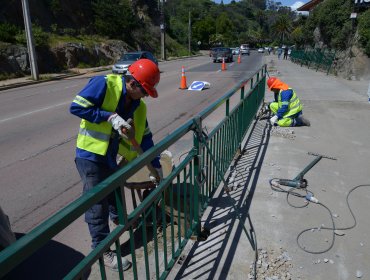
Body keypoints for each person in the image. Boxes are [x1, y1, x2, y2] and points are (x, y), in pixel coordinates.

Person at [70, 58, 162, 272]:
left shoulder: (139, 106)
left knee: (115, 197)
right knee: (97, 204)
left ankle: (123, 228)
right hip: (90, 154)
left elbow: (145, 138)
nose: (146, 95)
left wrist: (155, 165)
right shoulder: (104, 84)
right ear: (132, 83)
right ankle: (101, 249)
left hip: (111, 156)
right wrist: (108, 117)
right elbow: (77, 107)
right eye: (145, 90)